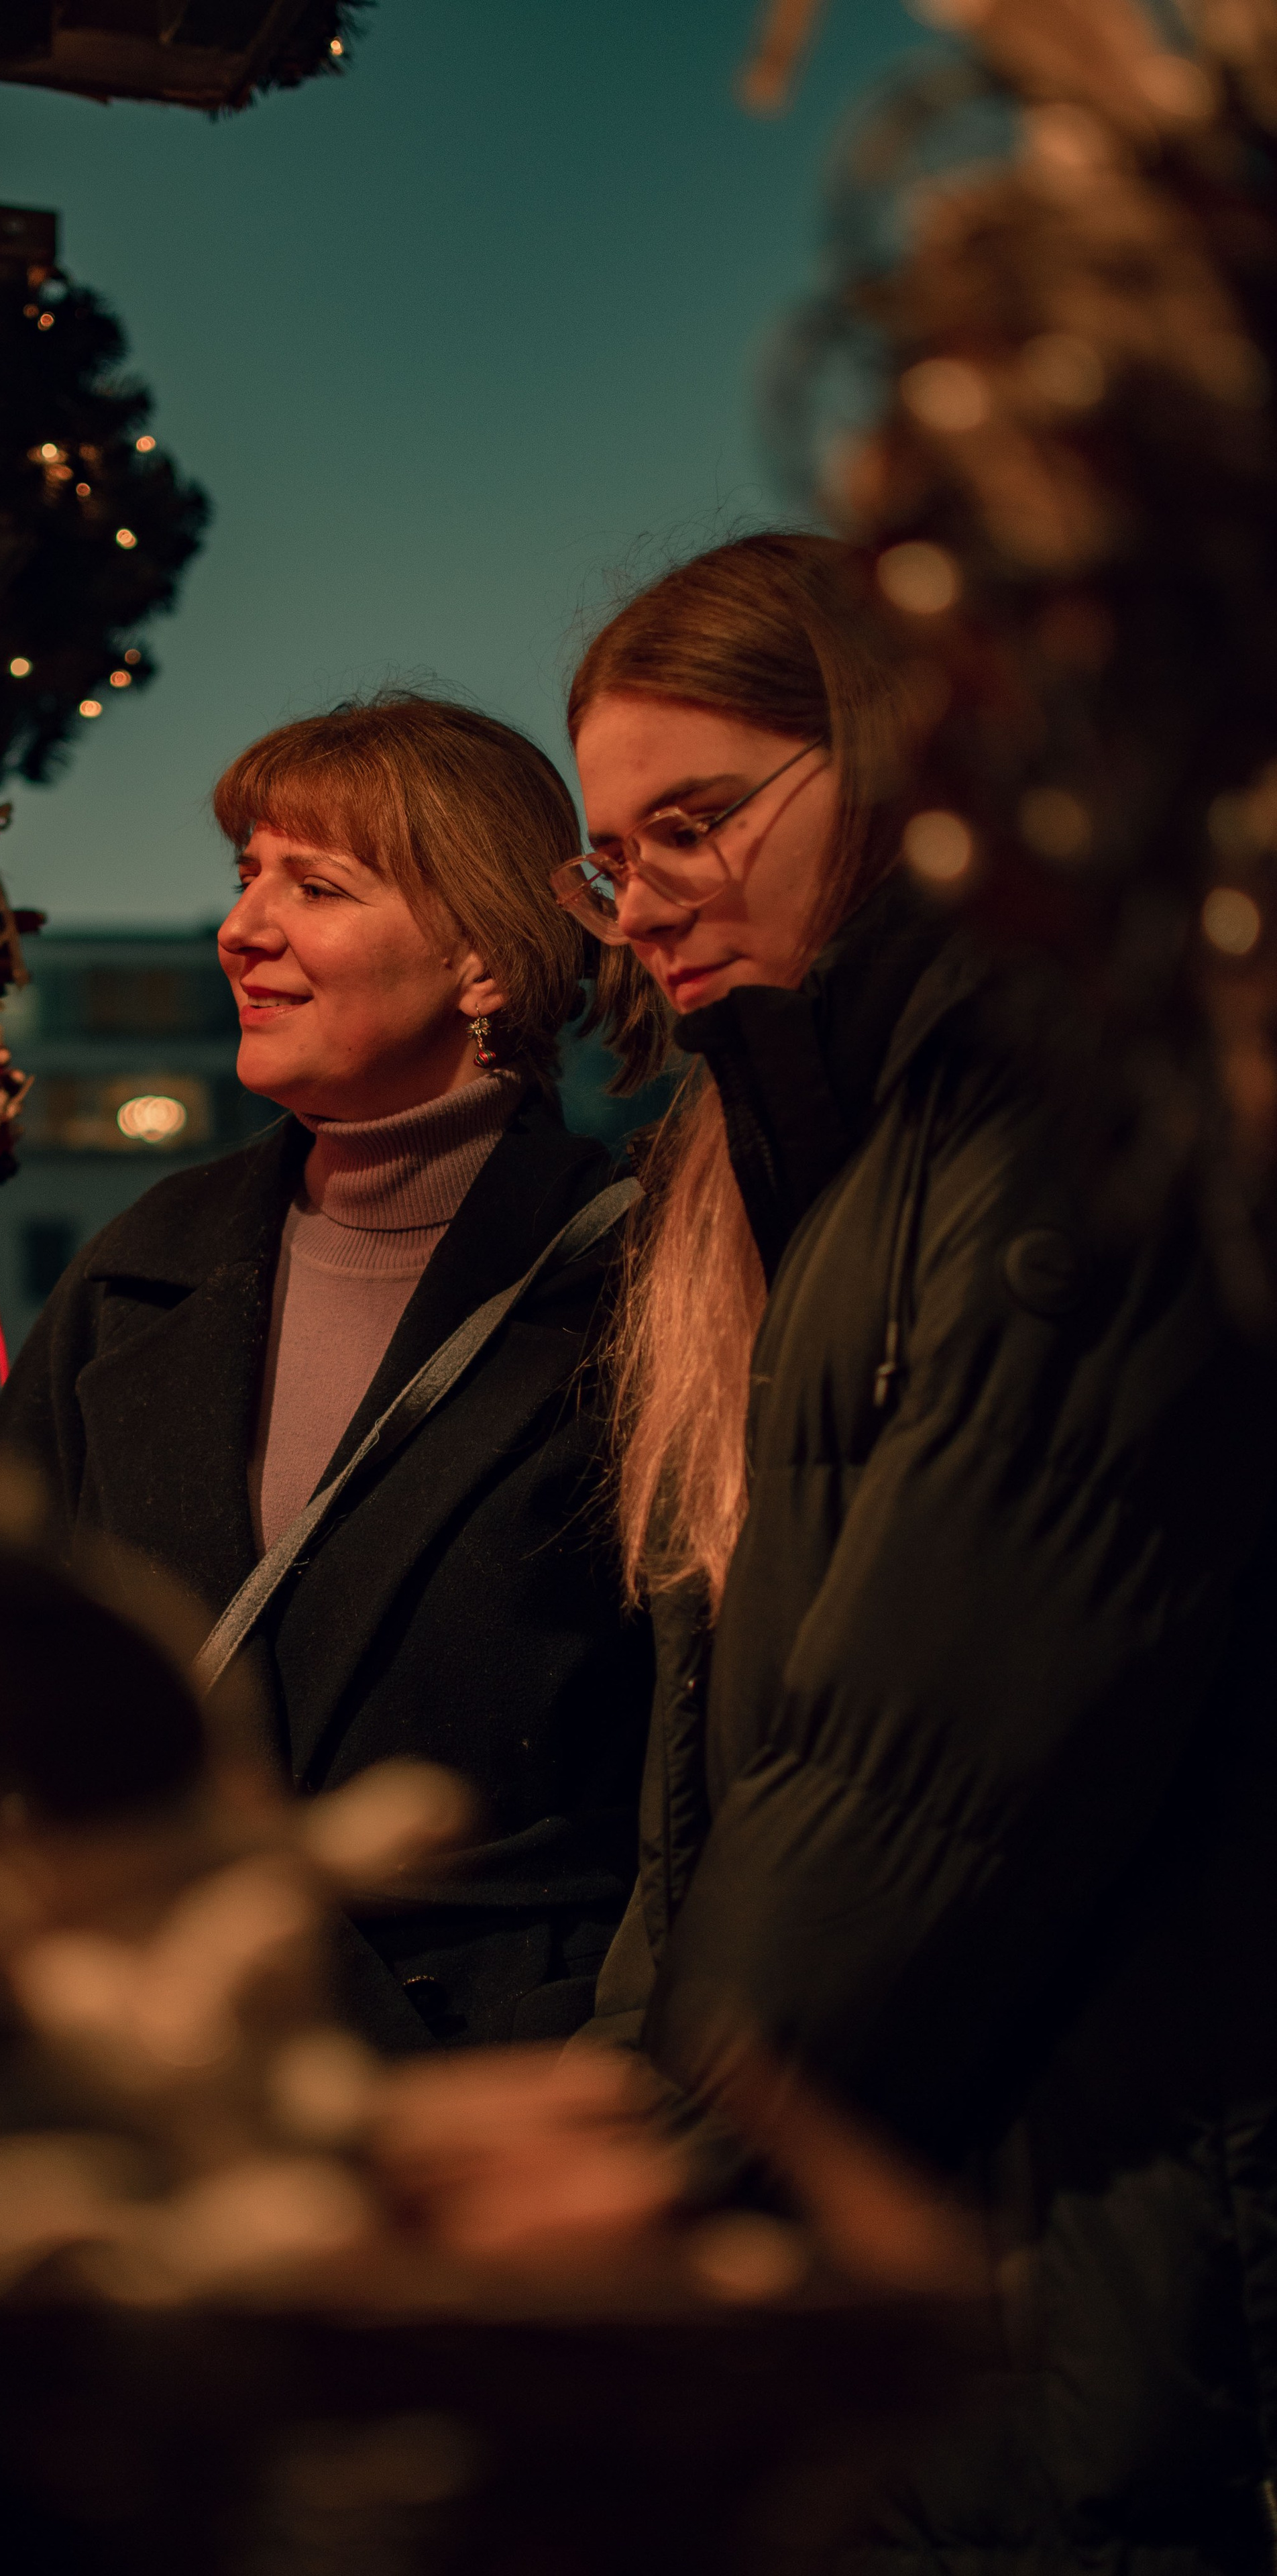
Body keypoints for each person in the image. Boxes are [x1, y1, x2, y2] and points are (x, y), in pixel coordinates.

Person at [563, 531, 1277, 2574]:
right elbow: (709, 1788)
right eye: (615, 854)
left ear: (895, 759)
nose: (649, 902)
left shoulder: (1068, 1093)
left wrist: (657, 2157)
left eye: (696, 820)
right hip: (918, 2242)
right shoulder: (793, 1162)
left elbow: (932, 1754)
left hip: (1104, 2247)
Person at [0, 693, 653, 2055]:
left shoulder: (645, 1287)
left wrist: (619, 2068)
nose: (241, 929)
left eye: (316, 885)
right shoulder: (136, 1274)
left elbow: (709, 1767)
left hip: (497, 2087)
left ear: (482, 957)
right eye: (245, 878)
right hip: (157, 2074)